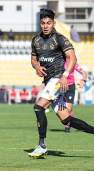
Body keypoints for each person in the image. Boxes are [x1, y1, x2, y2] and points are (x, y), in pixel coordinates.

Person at [28, 9, 94, 158]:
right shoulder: (36, 40)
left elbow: (72, 57)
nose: (46, 26)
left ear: (54, 23)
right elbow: (33, 59)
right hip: (49, 81)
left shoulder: (60, 39)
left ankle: (41, 146)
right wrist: (36, 66)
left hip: (58, 79)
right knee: (66, 119)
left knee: (38, 108)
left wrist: (64, 76)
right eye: (43, 23)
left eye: (49, 23)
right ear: (40, 24)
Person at [38, 58, 87, 133]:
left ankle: (67, 127)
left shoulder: (72, 61)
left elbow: (83, 72)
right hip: (60, 86)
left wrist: (83, 81)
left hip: (70, 86)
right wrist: (44, 82)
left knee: (69, 109)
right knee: (62, 109)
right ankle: (66, 122)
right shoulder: (58, 61)